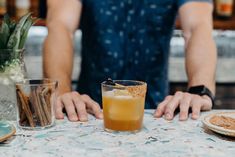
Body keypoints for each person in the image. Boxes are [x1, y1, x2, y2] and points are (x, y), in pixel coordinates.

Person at [43, 0, 217, 122]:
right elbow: (60, 25)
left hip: (158, 114)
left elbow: (197, 27)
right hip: (87, 114)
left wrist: (199, 91)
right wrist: (62, 93)